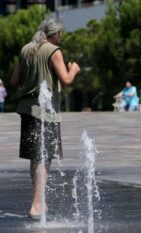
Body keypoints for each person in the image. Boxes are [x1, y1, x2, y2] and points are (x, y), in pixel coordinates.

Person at [10, 17, 80, 219]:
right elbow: (66, 80)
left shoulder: (26, 49)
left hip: (27, 109)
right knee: (44, 157)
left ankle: (42, 203)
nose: (61, 37)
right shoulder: (53, 50)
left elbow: (14, 80)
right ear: (55, 33)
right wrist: (74, 69)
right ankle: (36, 205)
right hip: (46, 113)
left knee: (35, 157)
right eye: (60, 34)